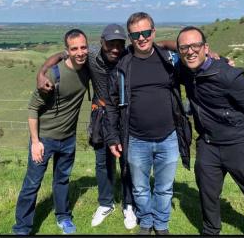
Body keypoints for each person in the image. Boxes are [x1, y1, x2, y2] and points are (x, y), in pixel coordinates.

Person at [176, 26, 244, 235]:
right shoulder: (185, 71)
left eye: (195, 45)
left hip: (239, 145)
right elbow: (163, 47)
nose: (190, 51)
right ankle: (210, 231)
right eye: (184, 47)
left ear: (206, 48)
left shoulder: (228, 76)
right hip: (208, 145)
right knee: (208, 194)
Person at [36, 24, 137, 230]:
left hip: (125, 114)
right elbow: (59, 55)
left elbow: (159, 46)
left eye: (119, 43)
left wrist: (209, 53)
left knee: (128, 161)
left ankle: (128, 204)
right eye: (110, 43)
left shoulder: (128, 55)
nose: (115, 48)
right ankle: (105, 203)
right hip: (100, 114)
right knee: (102, 162)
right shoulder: (90, 54)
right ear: (101, 42)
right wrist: (42, 72)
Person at [105, 12, 191, 235]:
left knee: (164, 188)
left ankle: (161, 224)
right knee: (140, 188)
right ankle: (146, 221)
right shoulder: (123, 65)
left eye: (145, 32)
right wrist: (113, 137)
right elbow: (113, 105)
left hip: (169, 137)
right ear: (130, 37)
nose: (141, 38)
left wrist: (217, 57)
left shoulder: (169, 59)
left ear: (153, 32)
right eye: (135, 34)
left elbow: (194, 62)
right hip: (135, 139)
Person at [12, 29, 90, 235]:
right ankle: (22, 228)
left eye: (83, 47)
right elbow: (32, 109)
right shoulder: (53, 75)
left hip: (68, 139)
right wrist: (36, 142)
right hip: (44, 140)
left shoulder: (88, 66)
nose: (80, 52)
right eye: (74, 49)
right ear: (67, 51)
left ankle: (63, 217)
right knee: (32, 184)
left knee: (62, 180)